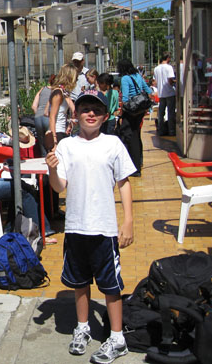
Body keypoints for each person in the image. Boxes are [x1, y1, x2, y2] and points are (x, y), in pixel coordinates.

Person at [45, 89, 135, 364]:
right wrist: (51, 169)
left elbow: (124, 182)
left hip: (105, 230)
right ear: (75, 115)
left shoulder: (113, 144)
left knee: (111, 287)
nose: (91, 114)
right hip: (75, 228)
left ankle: (117, 338)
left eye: (96, 110)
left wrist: (128, 221)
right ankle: (82, 327)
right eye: (85, 109)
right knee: (79, 283)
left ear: (106, 115)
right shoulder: (66, 146)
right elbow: (59, 186)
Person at [42, 64, 77, 215]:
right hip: (58, 134)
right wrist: (55, 140)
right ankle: (53, 209)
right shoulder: (58, 93)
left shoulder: (60, 92)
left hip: (62, 132)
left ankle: (54, 208)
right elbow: (51, 116)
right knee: (57, 170)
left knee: (59, 170)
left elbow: (45, 111)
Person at [117, 59, 152, 177]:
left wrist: (121, 112)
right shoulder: (137, 75)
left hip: (130, 111)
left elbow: (125, 98)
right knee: (136, 135)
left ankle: (133, 167)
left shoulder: (125, 79)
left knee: (127, 136)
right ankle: (138, 163)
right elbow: (148, 90)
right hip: (140, 111)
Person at [31, 76, 55, 157]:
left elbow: (34, 106)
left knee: (42, 144)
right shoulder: (56, 91)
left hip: (38, 117)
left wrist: (38, 114)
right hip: (48, 116)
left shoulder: (42, 89)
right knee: (51, 144)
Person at [153, 52, 176, 136]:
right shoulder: (169, 67)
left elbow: (155, 82)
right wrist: (174, 82)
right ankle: (171, 130)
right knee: (170, 113)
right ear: (168, 58)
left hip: (161, 93)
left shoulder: (156, 68)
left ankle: (161, 130)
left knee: (161, 113)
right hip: (169, 92)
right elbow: (170, 81)